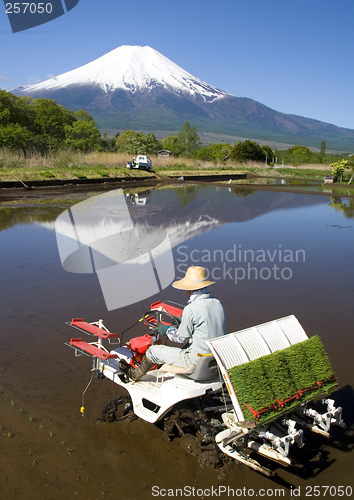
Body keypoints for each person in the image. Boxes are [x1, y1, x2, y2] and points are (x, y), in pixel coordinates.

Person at [119, 266, 227, 381]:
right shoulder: (217, 303)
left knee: (152, 351)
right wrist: (181, 321)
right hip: (214, 357)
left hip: (195, 361)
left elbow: (181, 338)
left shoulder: (191, 308)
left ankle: (134, 374)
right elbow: (203, 324)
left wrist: (166, 329)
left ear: (189, 289)